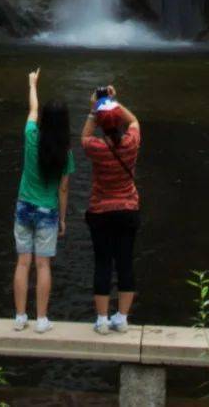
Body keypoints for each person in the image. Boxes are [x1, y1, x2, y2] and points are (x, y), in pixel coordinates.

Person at [12, 68, 74, 333]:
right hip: (48, 210)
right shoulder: (65, 153)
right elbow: (63, 190)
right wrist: (62, 219)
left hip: (24, 205)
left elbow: (32, 110)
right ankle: (41, 319)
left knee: (23, 262)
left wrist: (32, 84)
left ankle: (19, 316)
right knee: (43, 264)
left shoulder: (30, 137)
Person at [81, 83, 141, 334]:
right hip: (128, 209)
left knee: (103, 263)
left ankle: (103, 319)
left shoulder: (95, 147)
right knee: (125, 262)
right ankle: (123, 318)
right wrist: (114, 102)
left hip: (100, 212)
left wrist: (95, 108)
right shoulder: (131, 142)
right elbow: (135, 121)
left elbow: (84, 135)